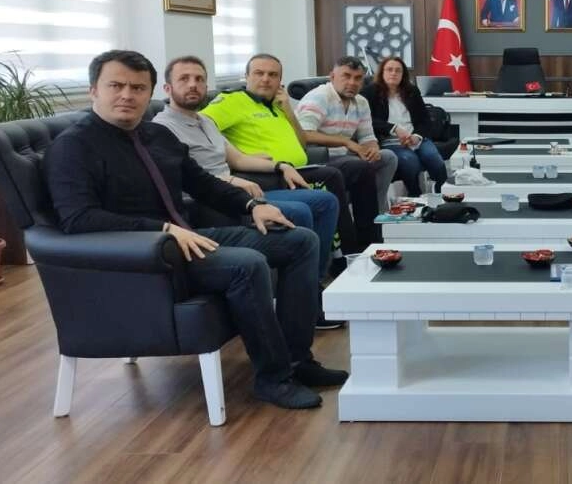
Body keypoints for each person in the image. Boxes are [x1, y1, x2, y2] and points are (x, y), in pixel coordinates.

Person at [44, 50, 349, 410]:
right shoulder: (73, 146)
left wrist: (252, 205)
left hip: (186, 239)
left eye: (138, 88)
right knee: (247, 264)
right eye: (116, 85)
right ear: (94, 89)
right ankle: (273, 378)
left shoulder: (157, 135)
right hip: (141, 258)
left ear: (151, 92)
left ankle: (299, 360)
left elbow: (203, 183)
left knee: (301, 240)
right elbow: (79, 219)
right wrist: (162, 229)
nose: (127, 95)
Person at [152, 55, 345, 330]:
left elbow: (239, 158)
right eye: (184, 79)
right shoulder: (162, 128)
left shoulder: (205, 122)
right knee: (300, 211)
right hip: (213, 202)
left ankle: (310, 287)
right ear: (167, 88)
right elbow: (183, 179)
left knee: (325, 202)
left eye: (199, 79)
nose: (193, 85)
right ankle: (307, 303)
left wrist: (281, 165)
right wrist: (230, 180)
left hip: (236, 189)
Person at [200, 53, 380, 253]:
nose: (266, 79)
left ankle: (362, 245)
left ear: (280, 80)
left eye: (273, 75)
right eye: (259, 73)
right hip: (263, 175)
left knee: (356, 170)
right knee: (331, 176)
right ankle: (348, 253)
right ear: (247, 76)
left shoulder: (275, 103)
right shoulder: (231, 101)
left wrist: (287, 109)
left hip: (295, 169)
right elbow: (198, 127)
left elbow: (302, 143)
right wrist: (237, 155)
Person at [294, 56, 398, 213]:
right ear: (332, 77)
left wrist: (373, 149)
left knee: (388, 157)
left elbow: (367, 137)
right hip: (319, 158)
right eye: (346, 76)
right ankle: (366, 218)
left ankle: (378, 211)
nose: (352, 83)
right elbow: (304, 134)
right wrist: (346, 142)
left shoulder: (361, 102)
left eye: (358, 78)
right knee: (358, 165)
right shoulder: (319, 97)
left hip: (346, 156)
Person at [360, 56, 448, 196]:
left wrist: (417, 136)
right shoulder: (369, 92)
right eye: (389, 70)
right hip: (389, 141)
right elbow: (366, 120)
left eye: (398, 70)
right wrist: (393, 128)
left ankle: (443, 192)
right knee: (410, 161)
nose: (393, 73)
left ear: (403, 74)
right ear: (382, 72)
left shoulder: (412, 91)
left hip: (416, 138)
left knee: (434, 158)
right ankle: (415, 196)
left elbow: (424, 119)